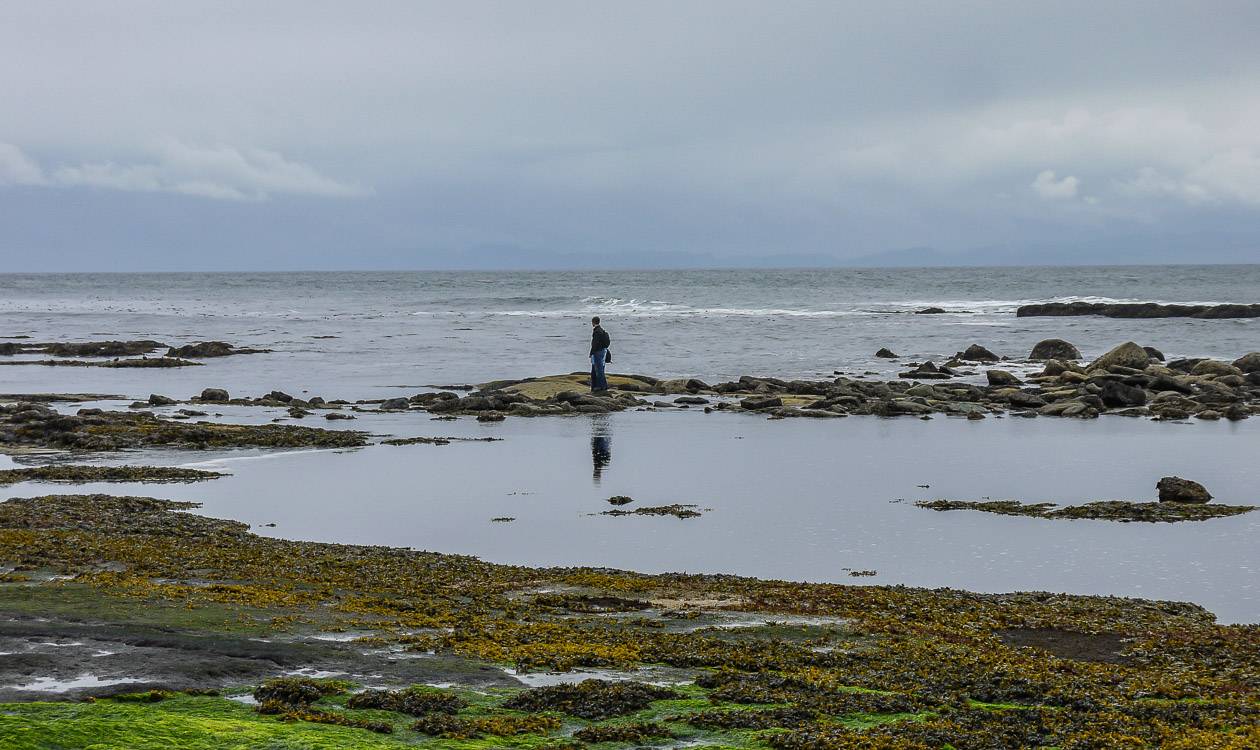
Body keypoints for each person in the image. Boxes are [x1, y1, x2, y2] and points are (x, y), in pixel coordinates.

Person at [589, 316, 610, 392]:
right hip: (602, 351)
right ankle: (596, 386)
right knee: (597, 369)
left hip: (597, 352)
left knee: (598, 370)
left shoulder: (597, 331)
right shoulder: (601, 330)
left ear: (593, 322)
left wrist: (591, 352)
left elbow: (595, 344)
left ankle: (602, 386)